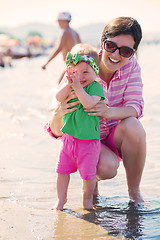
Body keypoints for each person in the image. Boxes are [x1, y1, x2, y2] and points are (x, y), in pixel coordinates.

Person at [45, 17, 146, 205]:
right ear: (102, 43)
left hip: (113, 135)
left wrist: (107, 112)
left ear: (133, 53)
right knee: (106, 167)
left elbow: (136, 107)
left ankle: (134, 193)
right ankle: (91, 190)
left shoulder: (132, 67)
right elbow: (56, 126)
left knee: (134, 126)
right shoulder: (83, 65)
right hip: (85, 139)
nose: (116, 54)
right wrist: (59, 113)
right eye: (111, 46)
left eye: (125, 50)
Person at [49, 43, 105, 210]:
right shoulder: (70, 85)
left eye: (85, 72)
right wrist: (68, 85)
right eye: (74, 72)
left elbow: (88, 104)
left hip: (88, 142)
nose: (79, 76)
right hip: (68, 140)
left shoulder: (96, 87)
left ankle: (87, 201)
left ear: (96, 71)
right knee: (62, 171)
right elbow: (59, 98)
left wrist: (78, 88)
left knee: (88, 176)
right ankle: (61, 200)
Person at [42, 11, 81, 83]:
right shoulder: (75, 33)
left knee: (60, 84)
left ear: (65, 21)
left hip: (70, 65)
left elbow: (58, 49)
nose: (59, 24)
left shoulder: (65, 32)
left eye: (60, 21)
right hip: (77, 64)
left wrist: (46, 63)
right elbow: (82, 48)